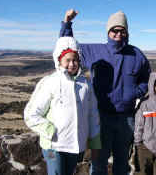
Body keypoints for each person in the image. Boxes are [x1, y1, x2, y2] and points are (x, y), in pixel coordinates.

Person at [60, 9, 151, 175]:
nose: (118, 34)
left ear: (127, 32)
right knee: (99, 162)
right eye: (114, 30)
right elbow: (67, 46)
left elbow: (146, 78)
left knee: (122, 162)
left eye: (122, 30)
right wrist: (67, 23)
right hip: (100, 117)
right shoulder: (95, 51)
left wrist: (135, 92)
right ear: (108, 32)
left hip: (126, 118)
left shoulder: (136, 54)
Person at [24, 37, 101, 175]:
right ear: (59, 60)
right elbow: (31, 114)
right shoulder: (50, 82)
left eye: (75, 60)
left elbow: (92, 114)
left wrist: (94, 143)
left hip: (75, 145)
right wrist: (49, 130)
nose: (72, 64)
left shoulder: (85, 84)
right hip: (54, 145)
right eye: (68, 60)